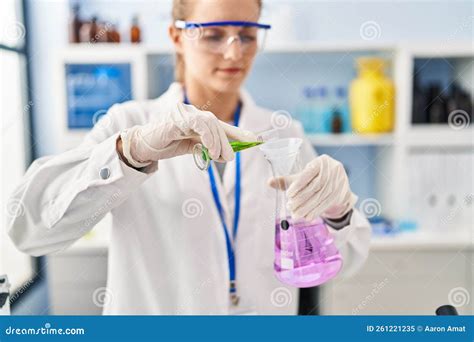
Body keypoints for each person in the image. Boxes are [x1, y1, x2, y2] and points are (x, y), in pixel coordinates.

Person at [7, 0, 370, 315]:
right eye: (213, 34)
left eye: (247, 34)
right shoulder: (129, 123)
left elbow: (347, 259)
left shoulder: (283, 134)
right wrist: (129, 152)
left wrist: (338, 214)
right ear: (177, 36)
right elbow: (28, 230)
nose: (234, 52)